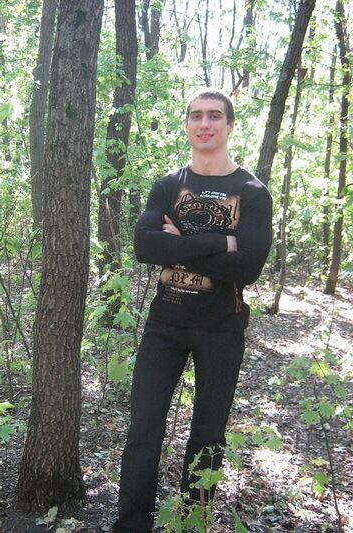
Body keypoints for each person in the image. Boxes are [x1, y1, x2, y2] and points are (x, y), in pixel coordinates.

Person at [112, 89, 272, 533]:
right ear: (186, 125)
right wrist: (221, 242)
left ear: (230, 126)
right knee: (143, 432)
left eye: (215, 116)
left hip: (222, 329)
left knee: (207, 437)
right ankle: (131, 527)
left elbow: (249, 268)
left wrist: (179, 243)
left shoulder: (252, 192)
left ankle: (191, 523)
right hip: (164, 325)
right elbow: (145, 247)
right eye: (196, 115)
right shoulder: (168, 185)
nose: (205, 124)